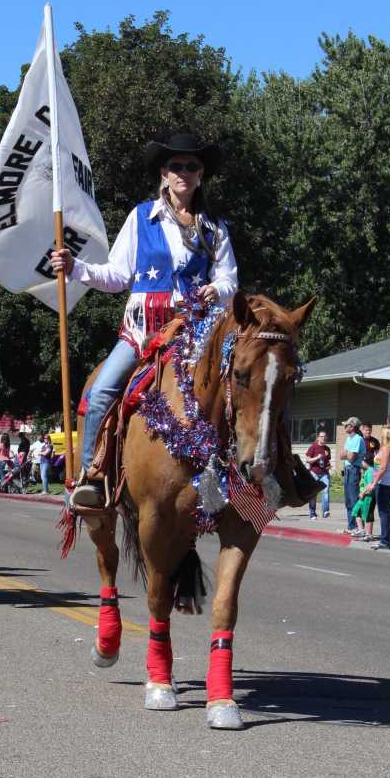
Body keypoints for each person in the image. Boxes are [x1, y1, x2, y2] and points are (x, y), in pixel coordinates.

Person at [51, 130, 238, 509]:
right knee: (101, 391)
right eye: (176, 166)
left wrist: (216, 290)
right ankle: (93, 475)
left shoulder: (214, 228)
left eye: (191, 166)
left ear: (200, 174)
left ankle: (252, 474)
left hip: (194, 334)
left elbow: (229, 279)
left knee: (243, 384)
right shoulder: (141, 218)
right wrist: (75, 267)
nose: (183, 172)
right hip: (141, 334)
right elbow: (116, 275)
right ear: (164, 174)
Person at [368, 427, 390, 550]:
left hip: (384, 485)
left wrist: (374, 483)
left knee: (383, 513)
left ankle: (385, 541)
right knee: (386, 512)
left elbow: (383, 468)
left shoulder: (386, 449)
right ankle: (386, 540)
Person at [340, 417, 367, 533]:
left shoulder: (357, 439)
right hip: (347, 470)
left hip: (353, 470)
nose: (345, 427)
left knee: (354, 499)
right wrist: (346, 453)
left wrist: (346, 453)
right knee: (348, 501)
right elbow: (341, 455)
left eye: (346, 425)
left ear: (352, 426)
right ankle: (351, 526)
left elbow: (351, 458)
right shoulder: (348, 438)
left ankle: (358, 527)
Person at [305, 428, 331, 519]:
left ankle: (325, 511)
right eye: (321, 436)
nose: (323, 438)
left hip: (324, 473)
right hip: (314, 473)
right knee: (313, 493)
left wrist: (328, 466)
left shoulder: (327, 449)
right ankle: (312, 513)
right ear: (318, 438)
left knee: (326, 491)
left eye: (325, 437)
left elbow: (327, 463)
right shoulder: (313, 447)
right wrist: (317, 457)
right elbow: (308, 460)